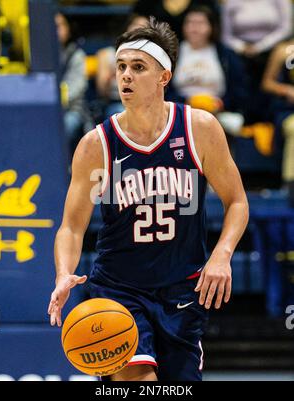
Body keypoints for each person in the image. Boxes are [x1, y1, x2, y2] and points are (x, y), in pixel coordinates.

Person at [48, 18, 249, 381]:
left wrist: (222, 255)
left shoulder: (198, 129)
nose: (125, 76)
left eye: (138, 68)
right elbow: (72, 227)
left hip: (184, 291)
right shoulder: (98, 145)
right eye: (121, 67)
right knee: (139, 380)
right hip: (119, 290)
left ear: (164, 77)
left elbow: (236, 202)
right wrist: (63, 274)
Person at [172, 5, 246, 136]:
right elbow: (163, 87)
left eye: (200, 23)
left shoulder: (225, 54)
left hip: (218, 113)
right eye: (190, 23)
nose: (194, 28)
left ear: (211, 27)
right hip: (180, 112)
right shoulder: (173, 53)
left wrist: (222, 103)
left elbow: (238, 88)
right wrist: (185, 103)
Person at [222, 0, 292, 124]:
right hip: (239, 52)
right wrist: (241, 47)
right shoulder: (231, 3)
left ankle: (268, 121)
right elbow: (225, 35)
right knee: (233, 64)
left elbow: (286, 28)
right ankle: (242, 116)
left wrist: (260, 46)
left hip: (273, 48)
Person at [96, 14, 149, 118]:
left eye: (145, 27)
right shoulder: (107, 54)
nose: (140, 29)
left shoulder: (152, 57)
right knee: (123, 113)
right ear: (127, 28)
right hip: (116, 102)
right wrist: (110, 76)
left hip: (145, 103)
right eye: (136, 25)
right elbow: (102, 92)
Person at [262, 40, 294, 206]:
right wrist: (286, 90)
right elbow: (267, 82)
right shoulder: (284, 50)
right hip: (289, 110)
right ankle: (291, 185)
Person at [55, 12, 89, 155]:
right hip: (45, 111)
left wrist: (54, 102)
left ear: (68, 29)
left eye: (59, 25)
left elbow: (77, 88)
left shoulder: (76, 54)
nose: (55, 30)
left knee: (66, 124)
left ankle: (64, 167)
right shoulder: (35, 57)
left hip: (72, 110)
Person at [133, 0, 220, 41]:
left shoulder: (205, 3)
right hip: (155, 49)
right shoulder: (145, 4)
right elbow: (135, 25)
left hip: (197, 50)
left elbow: (215, 29)